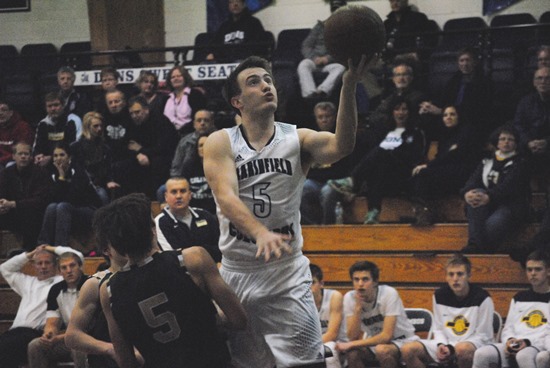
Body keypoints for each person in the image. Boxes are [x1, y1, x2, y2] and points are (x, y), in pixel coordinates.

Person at [203, 55, 370, 367]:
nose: (266, 85)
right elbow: (225, 196)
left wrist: (347, 86)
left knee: (309, 362)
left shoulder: (297, 138)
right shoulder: (220, 141)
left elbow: (342, 146)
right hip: (238, 273)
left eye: (268, 80)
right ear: (236, 101)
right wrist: (259, 232)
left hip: (286, 272)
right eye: (254, 81)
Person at [97, 193, 247, 368]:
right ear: (153, 227)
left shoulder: (108, 291)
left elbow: (126, 362)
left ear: (113, 244)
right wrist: (208, 319)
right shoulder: (192, 259)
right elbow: (239, 320)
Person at [328, 96, 426, 224]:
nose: (401, 113)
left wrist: (392, 153)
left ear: (409, 112)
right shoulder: (385, 131)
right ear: (392, 112)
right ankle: (372, 213)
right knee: (378, 163)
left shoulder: (415, 132)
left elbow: (414, 156)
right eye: (397, 109)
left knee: (381, 151)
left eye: (404, 109)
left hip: (405, 174)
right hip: (385, 175)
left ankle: (353, 182)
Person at [400, 253, 494, 368]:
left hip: (475, 345)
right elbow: (438, 329)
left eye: (460, 274)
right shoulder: (439, 295)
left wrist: (452, 349)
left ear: (469, 275)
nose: (455, 279)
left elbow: (484, 335)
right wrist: (441, 345)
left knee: (462, 349)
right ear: (446, 277)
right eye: (451, 274)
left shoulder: (483, 298)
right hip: (446, 343)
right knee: (408, 349)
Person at [0, 244, 83, 368]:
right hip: (14, 333)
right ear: (33, 265)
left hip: (35, 332)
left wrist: (51, 248)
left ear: (55, 265)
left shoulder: (60, 281)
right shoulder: (26, 282)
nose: (43, 267)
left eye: (47, 263)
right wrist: (30, 254)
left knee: (6, 347)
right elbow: (4, 268)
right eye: (39, 263)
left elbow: (77, 257)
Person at [472, 250, 550, 368]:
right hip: (515, 344)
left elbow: (548, 334)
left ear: (548, 271)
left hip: (538, 346)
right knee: (481, 354)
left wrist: (527, 342)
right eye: (529, 270)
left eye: (538, 269)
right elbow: (508, 328)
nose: (533, 273)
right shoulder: (518, 298)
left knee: (523, 355)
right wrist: (510, 340)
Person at [65, 227, 130, 368]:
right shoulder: (95, 283)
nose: (127, 246)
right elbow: (72, 335)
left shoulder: (146, 274)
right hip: (110, 361)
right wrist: (111, 349)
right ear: (106, 250)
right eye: (120, 242)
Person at [335, 260, 419, 368]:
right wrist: (357, 310)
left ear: (375, 281)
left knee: (383, 350)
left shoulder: (388, 293)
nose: (360, 284)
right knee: (353, 353)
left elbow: (386, 336)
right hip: (375, 343)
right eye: (356, 280)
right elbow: (352, 336)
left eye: (365, 279)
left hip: (403, 341)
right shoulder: (350, 298)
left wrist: (351, 344)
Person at [461, 126, 530, 254]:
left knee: (491, 225)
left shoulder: (521, 163)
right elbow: (472, 181)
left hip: (511, 205)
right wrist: (467, 193)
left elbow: (509, 188)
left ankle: (477, 247)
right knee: (475, 196)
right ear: (497, 143)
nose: (506, 142)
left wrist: (489, 197)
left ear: (516, 143)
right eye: (502, 139)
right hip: (487, 203)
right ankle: (475, 247)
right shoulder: (487, 161)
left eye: (510, 139)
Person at [409, 105, 480, 226]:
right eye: (445, 115)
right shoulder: (445, 135)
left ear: (459, 117)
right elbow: (442, 156)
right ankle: (423, 212)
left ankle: (425, 213)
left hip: (463, 171)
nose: (448, 117)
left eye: (452, 114)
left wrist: (428, 166)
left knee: (424, 174)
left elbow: (454, 155)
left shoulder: (466, 131)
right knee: (416, 175)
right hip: (447, 170)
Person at [27, 251, 88, 368]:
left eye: (72, 265)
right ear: (60, 272)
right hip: (68, 339)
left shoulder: (90, 284)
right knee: (35, 345)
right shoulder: (56, 290)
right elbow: (52, 322)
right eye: (64, 268)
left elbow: (87, 327)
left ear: (80, 267)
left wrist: (59, 337)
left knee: (79, 347)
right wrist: (49, 335)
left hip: (91, 337)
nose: (69, 270)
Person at [37, 142, 102, 248]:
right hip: (65, 210)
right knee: (51, 207)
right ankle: (43, 244)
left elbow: (74, 198)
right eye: (55, 155)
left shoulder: (78, 171)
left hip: (89, 209)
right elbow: (50, 198)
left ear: (69, 157)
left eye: (62, 155)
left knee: (62, 206)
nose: (59, 158)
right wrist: (61, 178)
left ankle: (60, 247)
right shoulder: (50, 172)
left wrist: (62, 178)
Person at [419, 47, 492, 139]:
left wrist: (442, 112)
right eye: (462, 61)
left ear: (475, 62)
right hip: (450, 115)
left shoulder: (483, 83)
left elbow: (475, 111)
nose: (465, 64)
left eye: (468, 60)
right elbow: (444, 99)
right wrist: (429, 106)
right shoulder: (454, 80)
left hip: (469, 121)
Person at [301, 102, 354, 224]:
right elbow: (307, 170)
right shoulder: (310, 138)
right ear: (316, 118)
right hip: (315, 182)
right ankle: (312, 227)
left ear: (335, 117)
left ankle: (327, 227)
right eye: (320, 117)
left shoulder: (343, 136)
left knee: (327, 192)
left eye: (327, 116)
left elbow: (342, 170)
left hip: (337, 182)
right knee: (302, 189)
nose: (324, 120)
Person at [155, 176, 221, 262]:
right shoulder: (160, 222)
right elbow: (172, 259)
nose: (178, 196)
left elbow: (221, 248)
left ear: (190, 195)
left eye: (183, 191)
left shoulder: (205, 215)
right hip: (181, 273)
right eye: (174, 192)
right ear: (166, 196)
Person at [0, 143, 51, 251]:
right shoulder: (6, 173)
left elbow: (40, 201)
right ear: (13, 156)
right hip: (11, 213)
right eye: (20, 154)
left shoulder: (41, 173)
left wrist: (14, 204)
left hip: (33, 214)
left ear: (31, 156)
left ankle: (29, 252)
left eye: (26, 154)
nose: (23, 156)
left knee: (30, 216)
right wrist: (2, 206)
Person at [125, 95, 178, 197]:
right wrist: (139, 154)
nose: (134, 116)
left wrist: (142, 150)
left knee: (158, 164)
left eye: (137, 112)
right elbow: (130, 146)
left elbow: (164, 147)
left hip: (163, 156)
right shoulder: (132, 123)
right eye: (131, 113)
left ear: (146, 110)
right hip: (142, 155)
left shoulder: (161, 121)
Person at [71, 111, 119, 205]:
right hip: (83, 184)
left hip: (100, 184)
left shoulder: (105, 148)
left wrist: (110, 180)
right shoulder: (76, 147)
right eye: (95, 126)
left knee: (104, 195)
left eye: (101, 126)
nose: (99, 129)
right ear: (87, 127)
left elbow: (108, 168)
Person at [513, 67, 550, 175]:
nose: (543, 81)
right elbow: (518, 124)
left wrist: (546, 142)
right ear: (534, 82)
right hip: (529, 145)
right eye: (540, 78)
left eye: (548, 78)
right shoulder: (525, 102)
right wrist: (529, 142)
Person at [297, 19, 345, 99]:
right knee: (303, 64)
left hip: (330, 63)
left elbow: (342, 50)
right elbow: (306, 46)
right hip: (314, 61)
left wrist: (328, 58)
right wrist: (314, 58)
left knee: (340, 68)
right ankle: (310, 94)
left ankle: (322, 91)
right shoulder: (319, 28)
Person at [310, 263, 346, 368]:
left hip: (339, 345)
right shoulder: (297, 303)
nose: (308, 287)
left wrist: (307, 347)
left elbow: (332, 335)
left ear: (321, 283)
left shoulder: (334, 297)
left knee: (328, 350)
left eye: (312, 282)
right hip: (313, 345)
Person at [33, 92, 81, 167]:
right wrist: (38, 156)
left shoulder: (73, 120)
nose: (53, 109)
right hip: (47, 164)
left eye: (56, 105)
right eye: (49, 106)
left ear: (63, 105)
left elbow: (76, 147)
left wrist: (52, 158)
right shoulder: (43, 124)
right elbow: (37, 147)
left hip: (69, 163)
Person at [163, 65, 208, 136]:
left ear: (185, 78)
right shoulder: (166, 98)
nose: (176, 79)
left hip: (189, 134)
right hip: (168, 135)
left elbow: (198, 118)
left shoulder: (195, 94)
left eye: (179, 76)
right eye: (173, 77)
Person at [0, 100, 33, 171]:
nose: (0, 113)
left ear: (11, 113)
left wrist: (1, 160)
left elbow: (22, 150)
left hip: (15, 160)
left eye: (4, 110)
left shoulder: (22, 127)